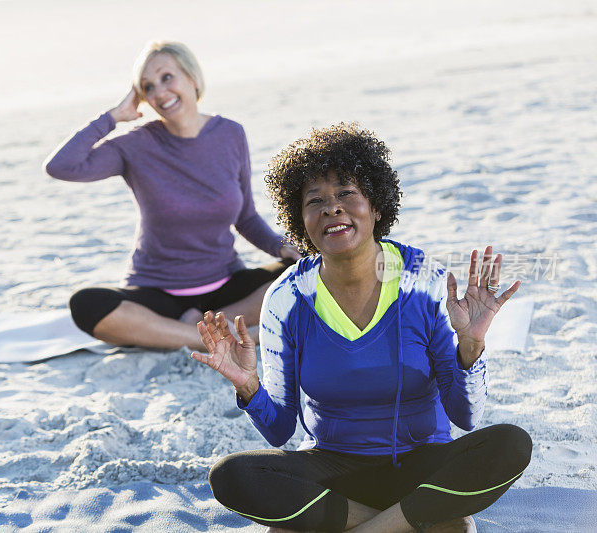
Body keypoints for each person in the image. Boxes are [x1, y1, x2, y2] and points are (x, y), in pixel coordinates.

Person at [191, 124, 532, 532]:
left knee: (511, 444)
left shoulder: (425, 282)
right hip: (333, 469)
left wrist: (471, 344)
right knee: (231, 474)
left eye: (346, 194)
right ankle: (400, 523)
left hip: (420, 463)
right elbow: (281, 431)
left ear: (376, 207)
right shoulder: (287, 298)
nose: (331, 209)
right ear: (301, 222)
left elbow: (467, 415)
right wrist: (248, 386)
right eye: (314, 201)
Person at [44, 41, 299, 350]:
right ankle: (208, 337)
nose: (160, 92)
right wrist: (113, 117)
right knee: (86, 304)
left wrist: (282, 247)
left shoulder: (230, 133)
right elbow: (62, 166)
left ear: (191, 77)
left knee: (309, 272)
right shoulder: (135, 146)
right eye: (148, 87)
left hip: (225, 287)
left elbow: (245, 217)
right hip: (157, 296)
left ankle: (201, 326)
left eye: (167, 78)